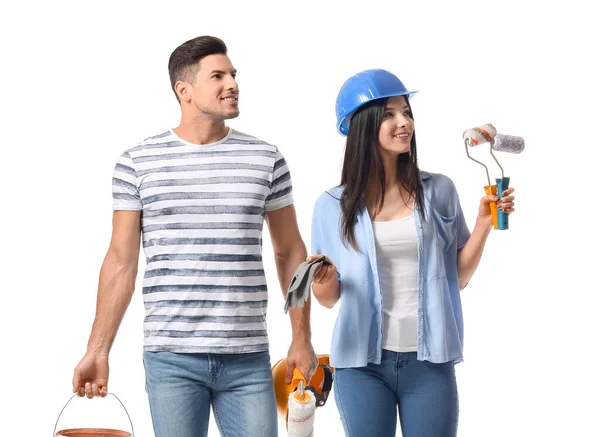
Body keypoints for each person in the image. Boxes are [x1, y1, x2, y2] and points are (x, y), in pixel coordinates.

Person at [72, 35, 317, 437]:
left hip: (248, 357)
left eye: (233, 74)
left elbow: (291, 252)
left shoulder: (265, 158)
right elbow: (120, 262)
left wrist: (301, 338)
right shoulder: (137, 162)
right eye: (217, 76)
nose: (232, 84)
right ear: (183, 90)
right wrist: (97, 350)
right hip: (171, 359)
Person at [307, 69, 516, 437]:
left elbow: (459, 277)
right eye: (389, 114)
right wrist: (323, 281)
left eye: (406, 111)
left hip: (429, 363)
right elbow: (327, 299)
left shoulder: (439, 191)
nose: (404, 122)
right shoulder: (330, 206)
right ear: (362, 126)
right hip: (361, 366)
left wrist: (484, 224)